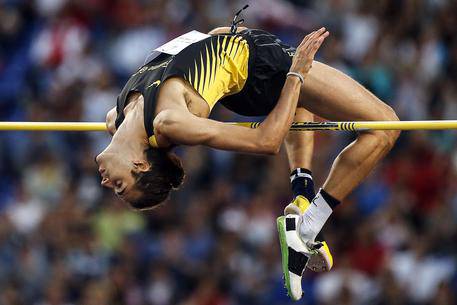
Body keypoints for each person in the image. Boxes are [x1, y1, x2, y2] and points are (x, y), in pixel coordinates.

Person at [95, 21, 399, 300]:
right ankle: (311, 223)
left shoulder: (117, 118)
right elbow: (267, 141)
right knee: (386, 126)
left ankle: (303, 200)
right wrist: (296, 73)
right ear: (140, 165)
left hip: (240, 50)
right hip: (261, 70)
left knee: (300, 102)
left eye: (115, 186)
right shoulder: (169, 123)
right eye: (118, 185)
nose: (105, 182)